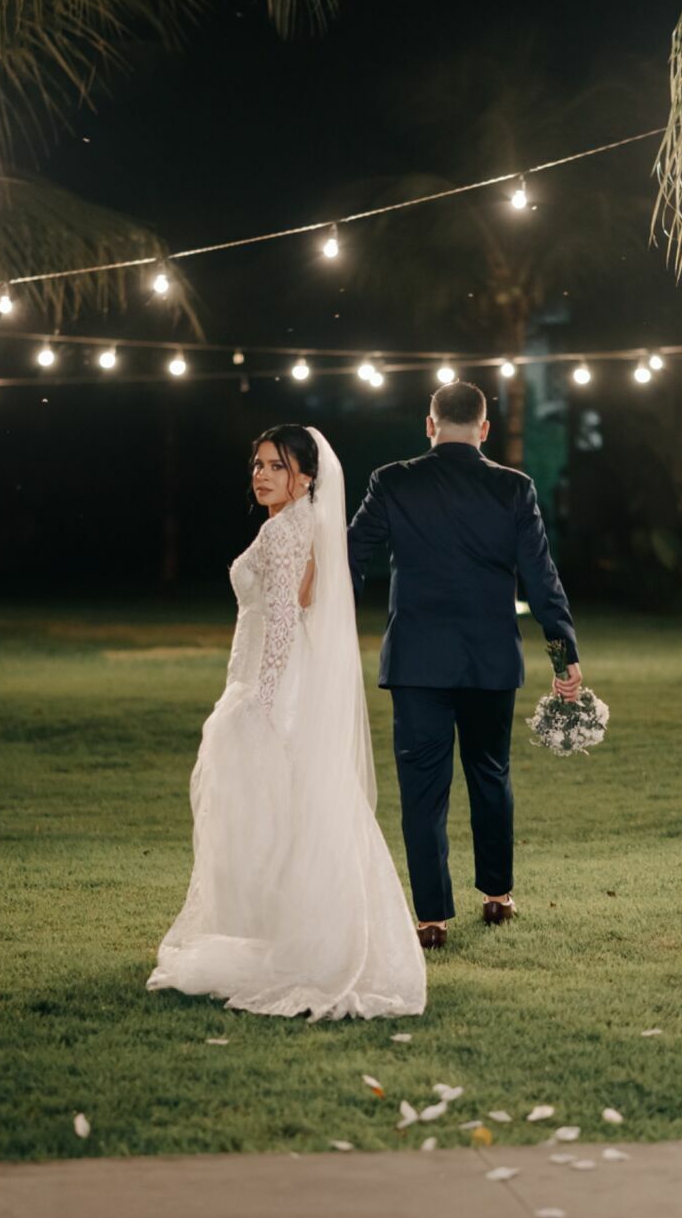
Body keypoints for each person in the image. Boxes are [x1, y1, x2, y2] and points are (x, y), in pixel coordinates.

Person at [147, 424, 426, 1020]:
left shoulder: (282, 530)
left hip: (274, 683)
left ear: (306, 475)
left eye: (276, 466)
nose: (262, 475)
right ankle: (308, 933)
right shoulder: (310, 528)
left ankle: (281, 941)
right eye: (257, 465)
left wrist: (261, 698)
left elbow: (278, 621)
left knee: (267, 811)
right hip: (292, 679)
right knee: (302, 808)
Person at [347, 381, 581, 950]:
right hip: (489, 662)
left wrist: (325, 633)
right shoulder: (513, 488)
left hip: (416, 664)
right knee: (490, 774)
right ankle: (497, 896)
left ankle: (431, 919)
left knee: (422, 791)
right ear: (484, 429)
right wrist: (563, 657)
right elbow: (541, 582)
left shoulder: (392, 480)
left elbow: (350, 558)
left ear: (429, 426)